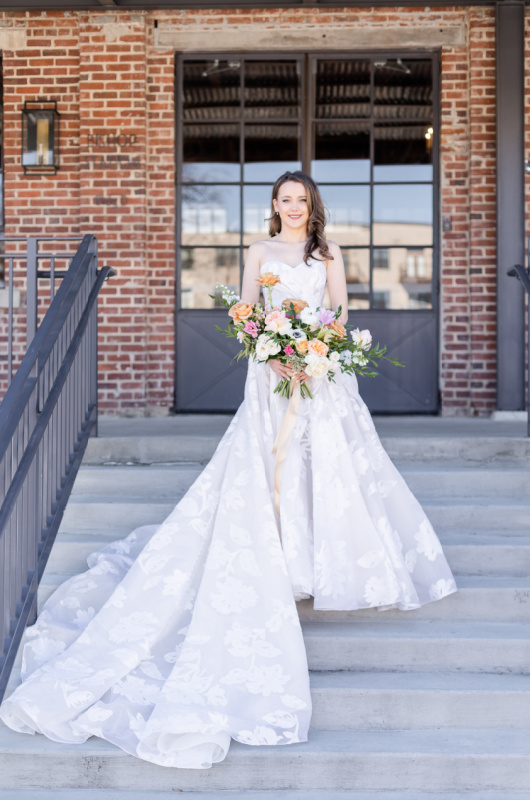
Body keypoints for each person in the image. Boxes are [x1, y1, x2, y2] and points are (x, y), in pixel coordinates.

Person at [0, 171, 456, 770]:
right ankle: (281, 555)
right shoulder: (259, 249)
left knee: (331, 468)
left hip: (320, 373)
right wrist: (275, 348)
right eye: (285, 200)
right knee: (271, 465)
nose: (294, 208)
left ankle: (320, 558)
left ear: (312, 206)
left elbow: (341, 308)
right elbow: (245, 312)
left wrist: (317, 346)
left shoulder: (329, 251)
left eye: (303, 200)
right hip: (270, 378)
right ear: (274, 205)